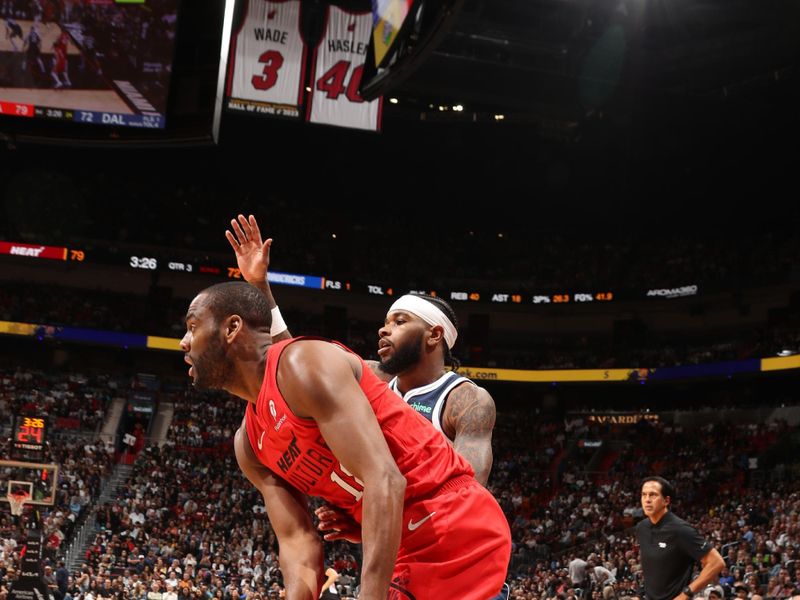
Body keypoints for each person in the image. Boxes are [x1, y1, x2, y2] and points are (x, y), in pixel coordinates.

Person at [179, 281, 511, 600]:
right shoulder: (250, 444)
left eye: (192, 327)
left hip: (451, 526)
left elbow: (390, 478)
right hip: (398, 537)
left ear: (232, 328)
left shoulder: (465, 399)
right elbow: (298, 542)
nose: (183, 341)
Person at [225, 214, 497, 485]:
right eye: (385, 322)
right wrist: (260, 286)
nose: (383, 330)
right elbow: (297, 364)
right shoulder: (372, 375)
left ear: (435, 335)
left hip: (436, 521)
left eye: (399, 322)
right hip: (384, 514)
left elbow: (469, 488)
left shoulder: (466, 400)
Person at [635, 477, 725, 600]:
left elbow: (716, 563)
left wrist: (686, 594)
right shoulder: (641, 528)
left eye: (653, 495)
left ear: (666, 500)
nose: (647, 500)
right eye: (644, 495)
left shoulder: (681, 530)